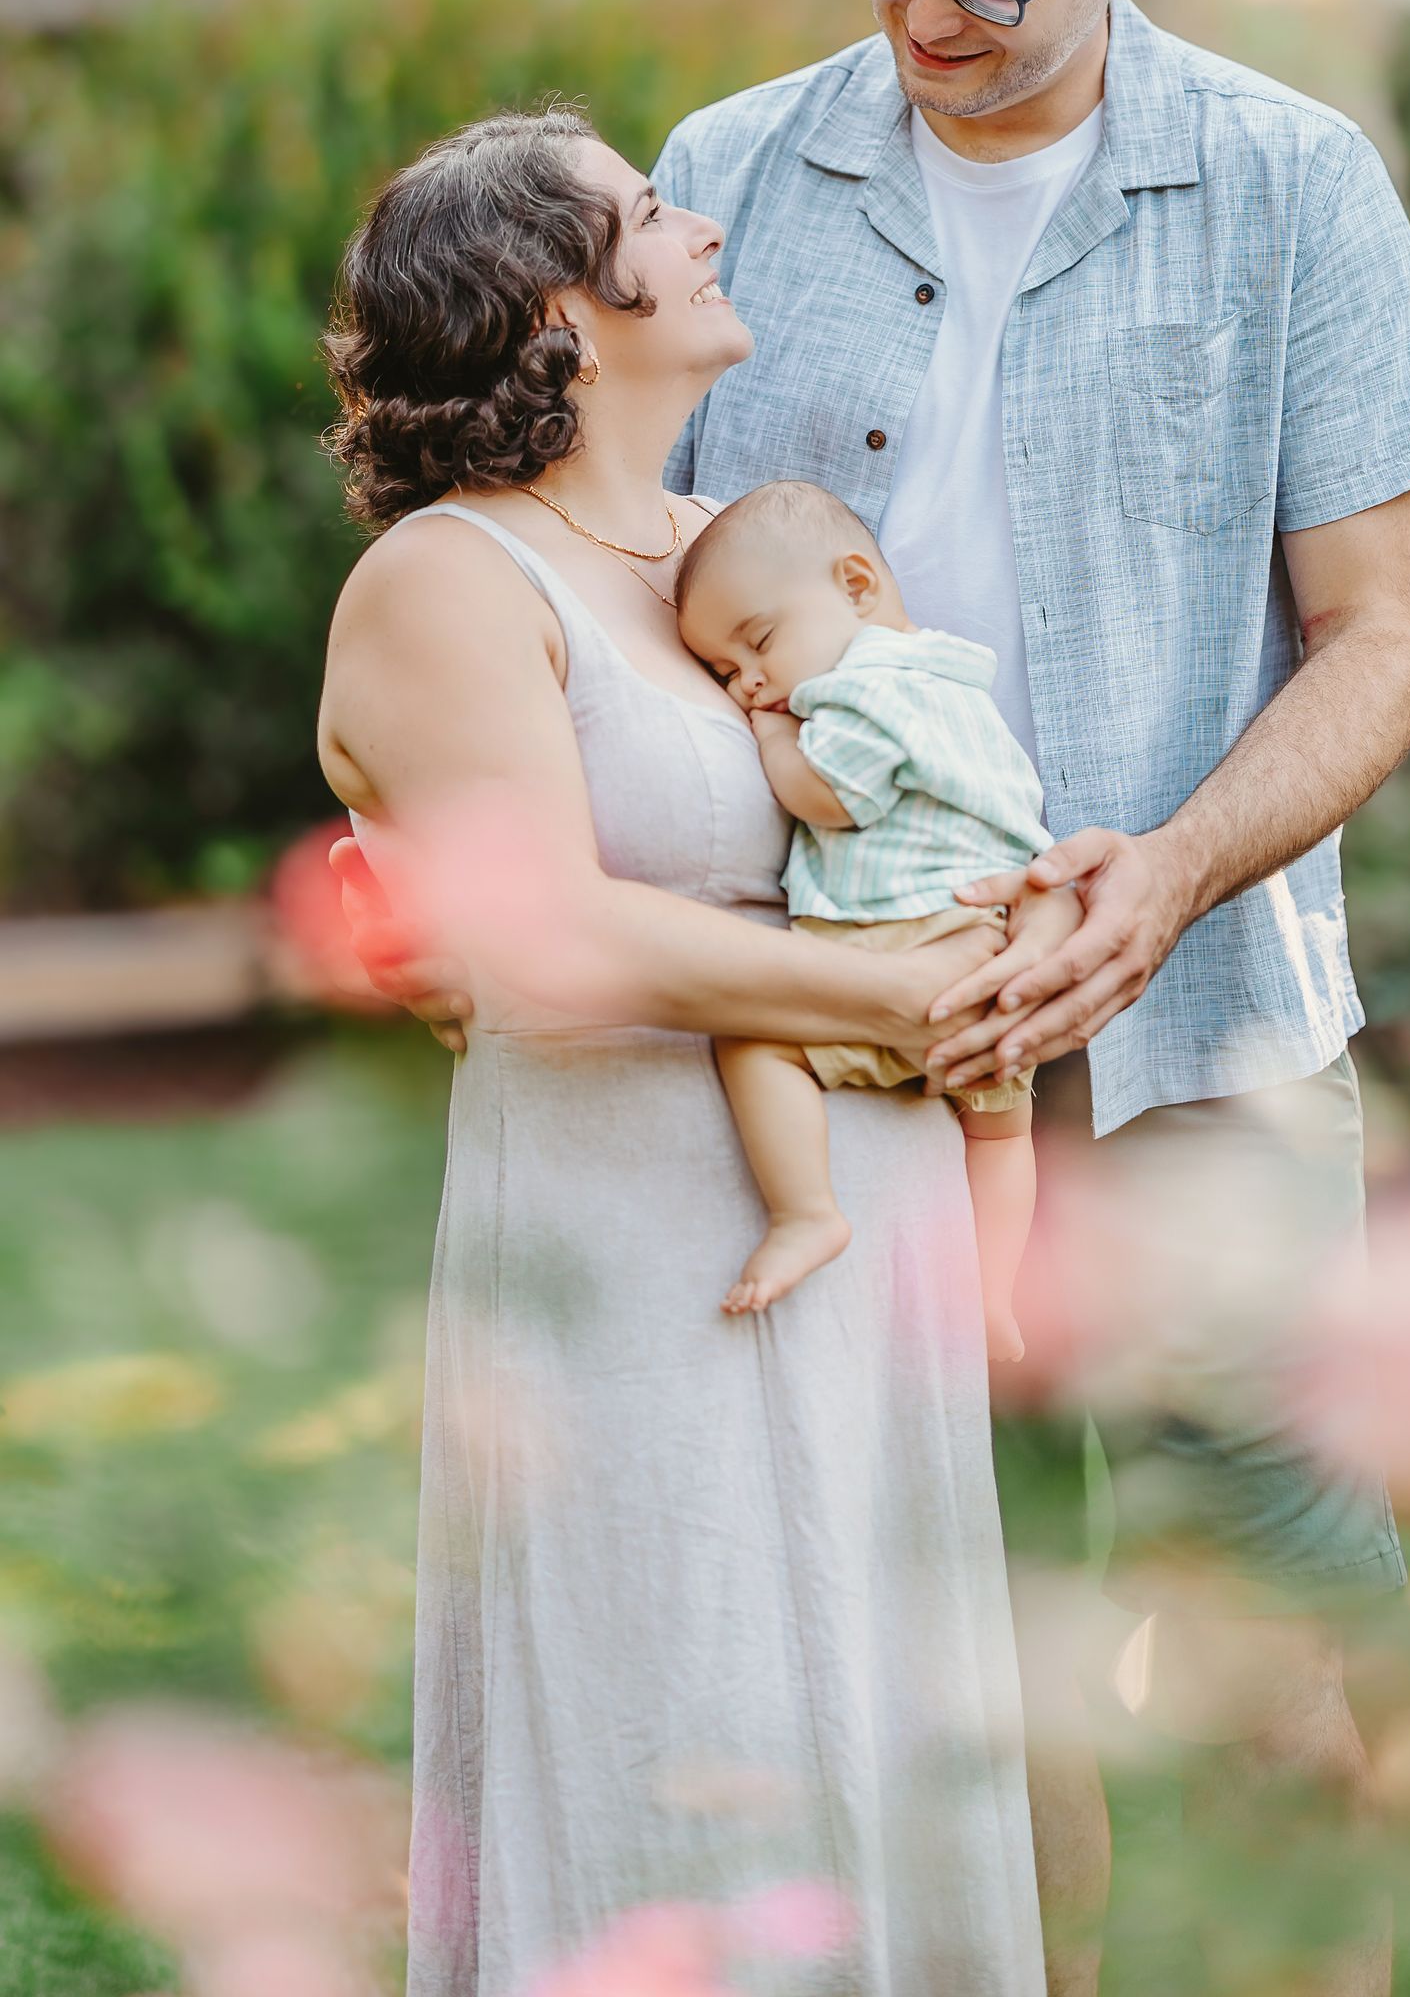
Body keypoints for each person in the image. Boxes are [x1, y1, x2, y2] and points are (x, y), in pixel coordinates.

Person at [343, 0, 1410, 1996]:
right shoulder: (726, 171)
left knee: (1263, 1620)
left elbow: (1382, 642)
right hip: (836, 1048)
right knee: (950, 1618)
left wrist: (1153, 878)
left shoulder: (1291, 184)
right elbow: (587, 567)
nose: (918, 16)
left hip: (1200, 1042)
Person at [316, 107, 1060, 1997]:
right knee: (679, 1727)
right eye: (652, 216)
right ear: (555, 311)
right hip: (643, 1253)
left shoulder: (723, 547)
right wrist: (905, 998)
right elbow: (545, 930)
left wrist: (1027, 921)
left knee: (870, 1731)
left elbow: (894, 804)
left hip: (864, 1230)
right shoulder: (452, 580)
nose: (706, 227)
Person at [675, 478, 1046, 1353]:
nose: (750, 681)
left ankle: (806, 1213)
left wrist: (771, 736)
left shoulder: (865, 686)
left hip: (900, 942)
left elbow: (827, 796)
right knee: (1000, 1135)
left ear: (855, 586)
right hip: (993, 960)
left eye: (758, 643)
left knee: (754, 1039)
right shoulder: (962, 682)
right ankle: (994, 1296)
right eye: (726, 672)